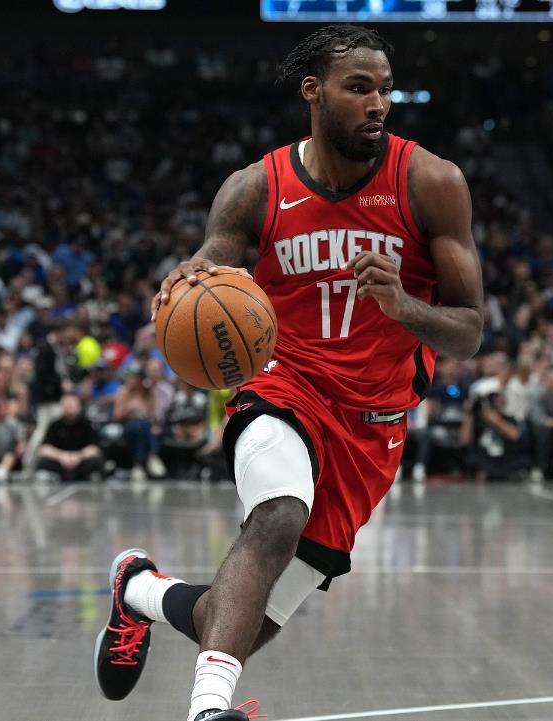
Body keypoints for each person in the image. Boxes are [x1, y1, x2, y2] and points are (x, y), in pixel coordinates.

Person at [94, 25, 484, 721]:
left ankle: (138, 592)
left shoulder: (430, 182)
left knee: (243, 621)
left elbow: (470, 331)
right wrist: (185, 280)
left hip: (373, 423)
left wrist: (403, 306)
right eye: (358, 87)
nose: (377, 103)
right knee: (279, 514)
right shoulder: (254, 188)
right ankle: (208, 710)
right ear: (313, 91)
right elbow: (208, 269)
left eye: (384, 89)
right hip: (284, 383)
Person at [36, 392, 104, 482]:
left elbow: (95, 449)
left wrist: (78, 456)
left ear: (79, 406)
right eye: (66, 405)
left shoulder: (88, 425)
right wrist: (62, 456)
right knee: (43, 462)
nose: (69, 408)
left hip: (81, 461)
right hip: (60, 461)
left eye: (71, 405)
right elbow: (44, 449)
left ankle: (86, 476)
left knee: (96, 461)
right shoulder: (55, 425)